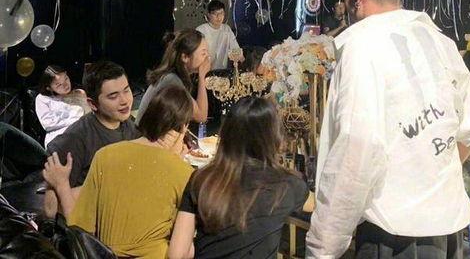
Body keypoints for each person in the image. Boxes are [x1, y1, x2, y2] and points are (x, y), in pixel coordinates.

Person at [306, 0, 470, 259]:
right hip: (448, 231)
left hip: (394, 236)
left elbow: (356, 151)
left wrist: (323, 248)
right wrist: (431, 175)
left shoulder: (362, 47)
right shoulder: (440, 41)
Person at [43, 85, 194, 259]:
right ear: (183, 127)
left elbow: (80, 230)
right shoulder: (185, 174)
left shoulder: (105, 156)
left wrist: (61, 186)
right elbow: (183, 252)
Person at [169, 95, 313, 259]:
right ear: (273, 138)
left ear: (226, 133)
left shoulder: (202, 180)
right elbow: (320, 204)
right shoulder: (286, 185)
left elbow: (177, 254)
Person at [44, 60, 139, 218]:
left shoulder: (130, 125)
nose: (124, 101)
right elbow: (51, 208)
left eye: (126, 90)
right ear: (93, 104)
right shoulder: (75, 139)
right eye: (113, 96)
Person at [135, 29, 211, 124]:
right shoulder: (172, 81)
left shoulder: (172, 76)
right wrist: (202, 76)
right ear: (185, 57)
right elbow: (201, 116)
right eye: (203, 53)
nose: (207, 57)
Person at [35, 65, 90, 147]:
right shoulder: (43, 98)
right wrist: (76, 120)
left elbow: (90, 116)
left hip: (83, 135)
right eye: (59, 85)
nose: (65, 85)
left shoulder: (78, 93)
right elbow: (48, 123)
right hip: (58, 138)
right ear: (49, 88)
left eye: (66, 79)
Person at [196, 0, 243, 70]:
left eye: (221, 13)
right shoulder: (201, 30)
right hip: (202, 69)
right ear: (208, 15)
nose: (219, 17)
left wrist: (243, 62)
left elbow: (235, 49)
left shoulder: (226, 29)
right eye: (215, 14)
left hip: (220, 70)